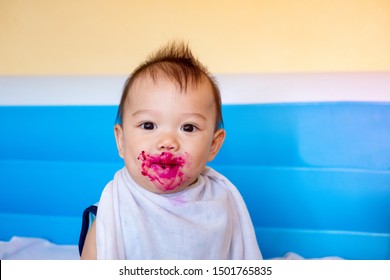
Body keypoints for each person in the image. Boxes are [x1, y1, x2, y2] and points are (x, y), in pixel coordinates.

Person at [80, 42, 262, 259]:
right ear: (121, 141)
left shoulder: (221, 203)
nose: (167, 142)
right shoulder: (111, 215)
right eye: (148, 125)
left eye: (188, 127)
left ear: (213, 145)